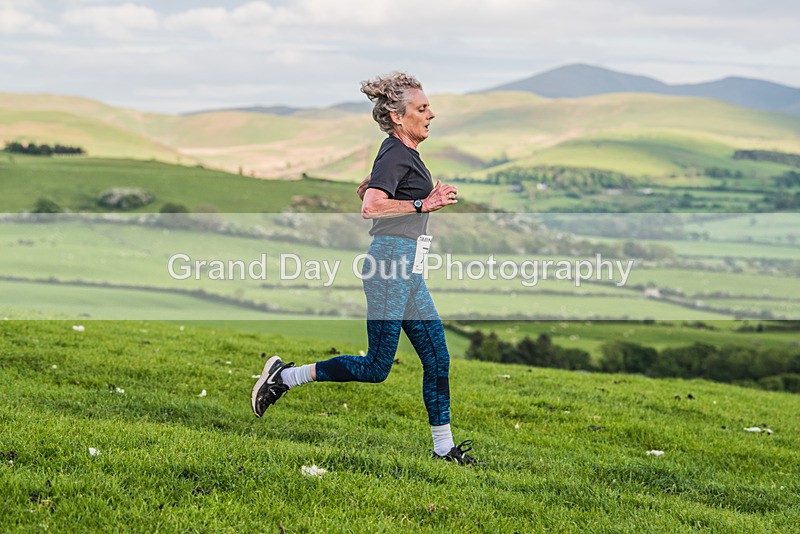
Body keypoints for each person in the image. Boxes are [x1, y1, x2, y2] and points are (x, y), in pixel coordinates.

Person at [251, 72, 477, 464]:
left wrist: (385, 188)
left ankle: (444, 449)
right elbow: (370, 207)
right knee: (376, 367)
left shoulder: (402, 155)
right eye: (422, 108)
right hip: (391, 265)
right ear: (397, 116)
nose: (431, 114)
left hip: (407, 269)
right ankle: (283, 378)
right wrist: (425, 203)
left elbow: (371, 191)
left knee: (438, 358)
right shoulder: (395, 151)